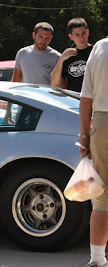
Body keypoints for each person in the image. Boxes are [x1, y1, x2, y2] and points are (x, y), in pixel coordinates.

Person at [79, 37, 108, 267]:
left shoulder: (99, 47)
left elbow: (85, 98)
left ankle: (97, 259)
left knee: (103, 198)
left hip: (102, 121)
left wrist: (84, 136)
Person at [50, 17, 92, 92]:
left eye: (83, 33)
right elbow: (54, 84)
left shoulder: (96, 52)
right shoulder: (68, 55)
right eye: (77, 35)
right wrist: (61, 60)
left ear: (88, 32)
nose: (81, 38)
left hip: (94, 99)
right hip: (73, 100)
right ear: (71, 36)